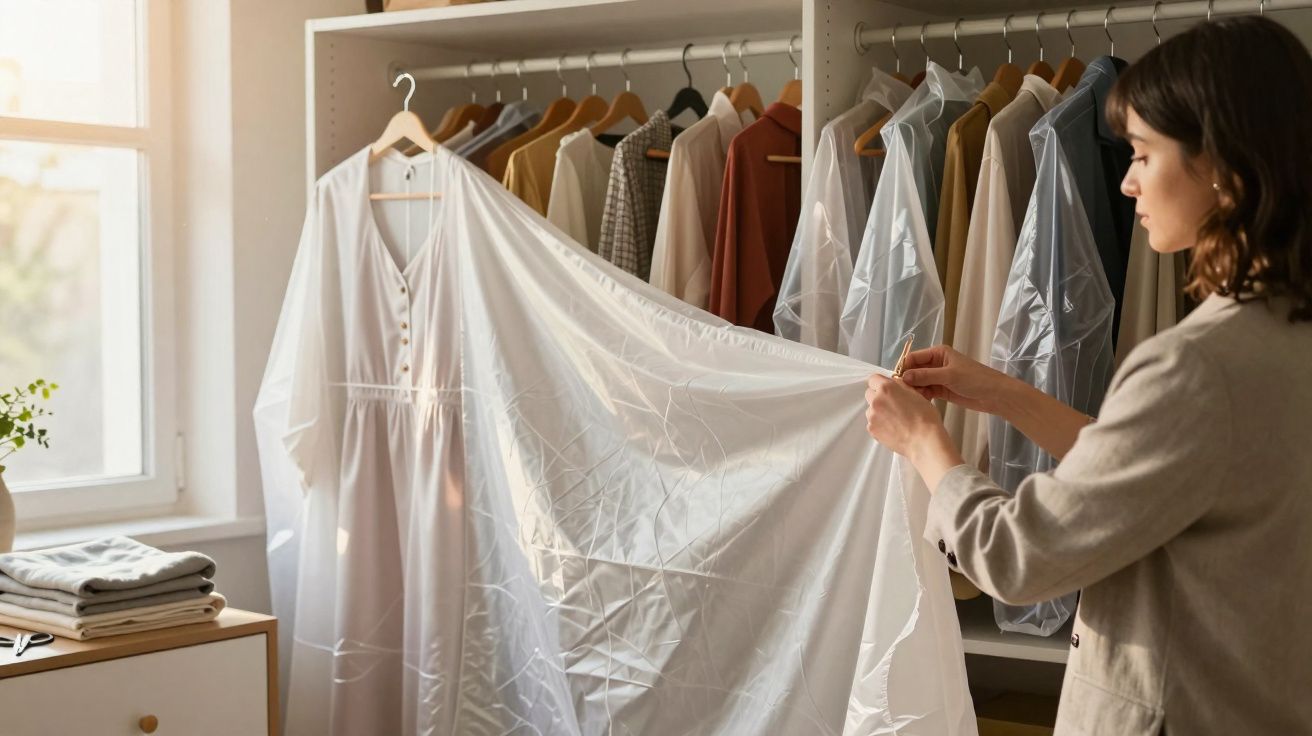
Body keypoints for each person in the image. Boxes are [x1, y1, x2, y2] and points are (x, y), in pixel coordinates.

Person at [863, 16, 1312, 736]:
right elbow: (1160, 467)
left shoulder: (1196, 365)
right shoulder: (1283, 340)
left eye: (1142, 153)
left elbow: (1019, 557)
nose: (1129, 180)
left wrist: (923, 443)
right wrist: (1000, 393)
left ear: (1223, 168)